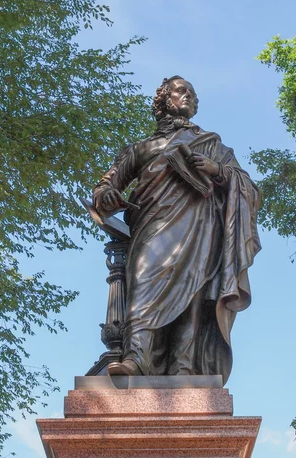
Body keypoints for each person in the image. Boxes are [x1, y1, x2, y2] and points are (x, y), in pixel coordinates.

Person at [93, 76, 261, 383]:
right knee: (144, 284)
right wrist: (107, 195)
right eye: (182, 91)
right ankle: (136, 359)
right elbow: (106, 185)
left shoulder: (213, 145)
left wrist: (218, 171)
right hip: (152, 226)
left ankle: (184, 367)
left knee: (192, 292)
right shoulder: (143, 148)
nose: (189, 97)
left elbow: (249, 188)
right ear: (164, 99)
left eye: (193, 95)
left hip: (200, 228)